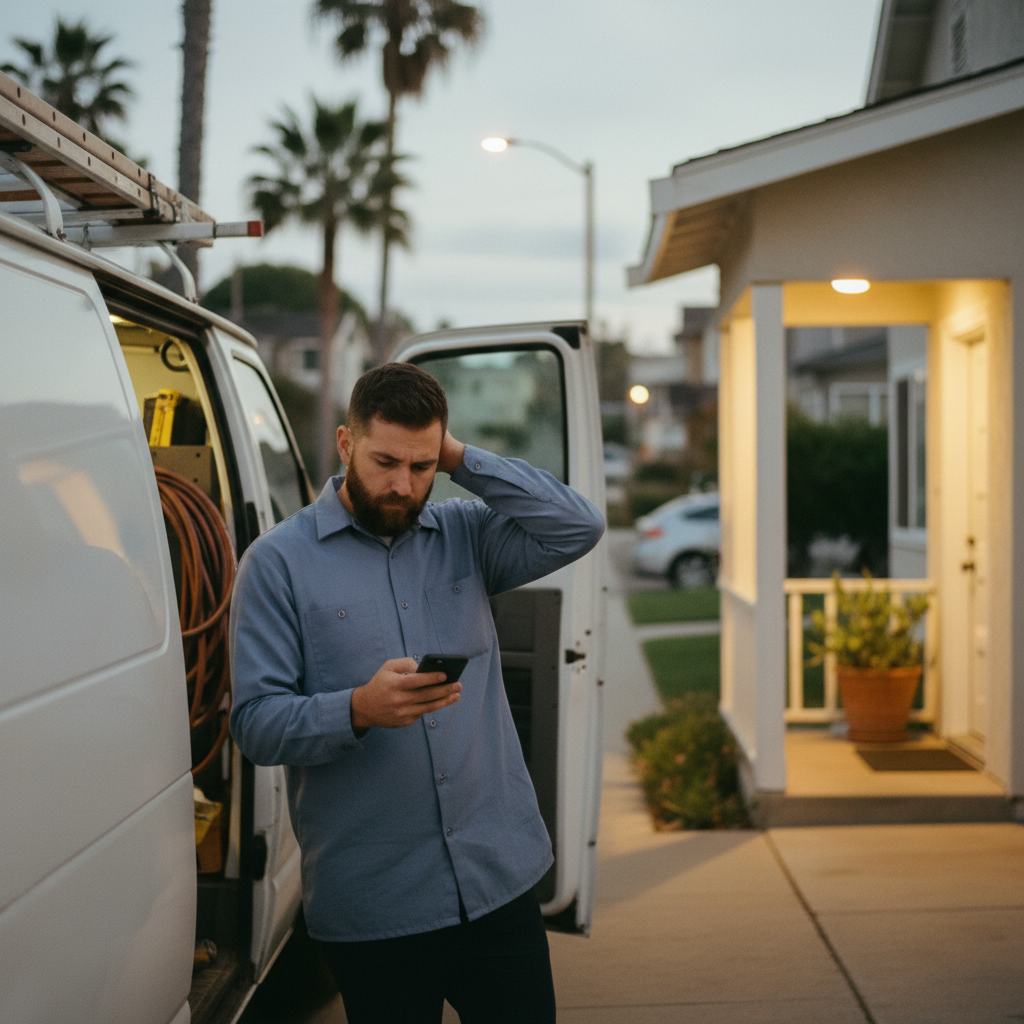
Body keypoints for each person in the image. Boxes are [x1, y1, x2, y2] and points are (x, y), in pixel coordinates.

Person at [229, 361, 604, 1023]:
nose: (403, 485)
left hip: (497, 882)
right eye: (384, 461)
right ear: (345, 445)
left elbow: (578, 525)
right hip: (375, 909)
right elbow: (255, 725)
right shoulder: (276, 563)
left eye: (422, 465)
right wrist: (354, 709)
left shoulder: (467, 533)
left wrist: (459, 456)